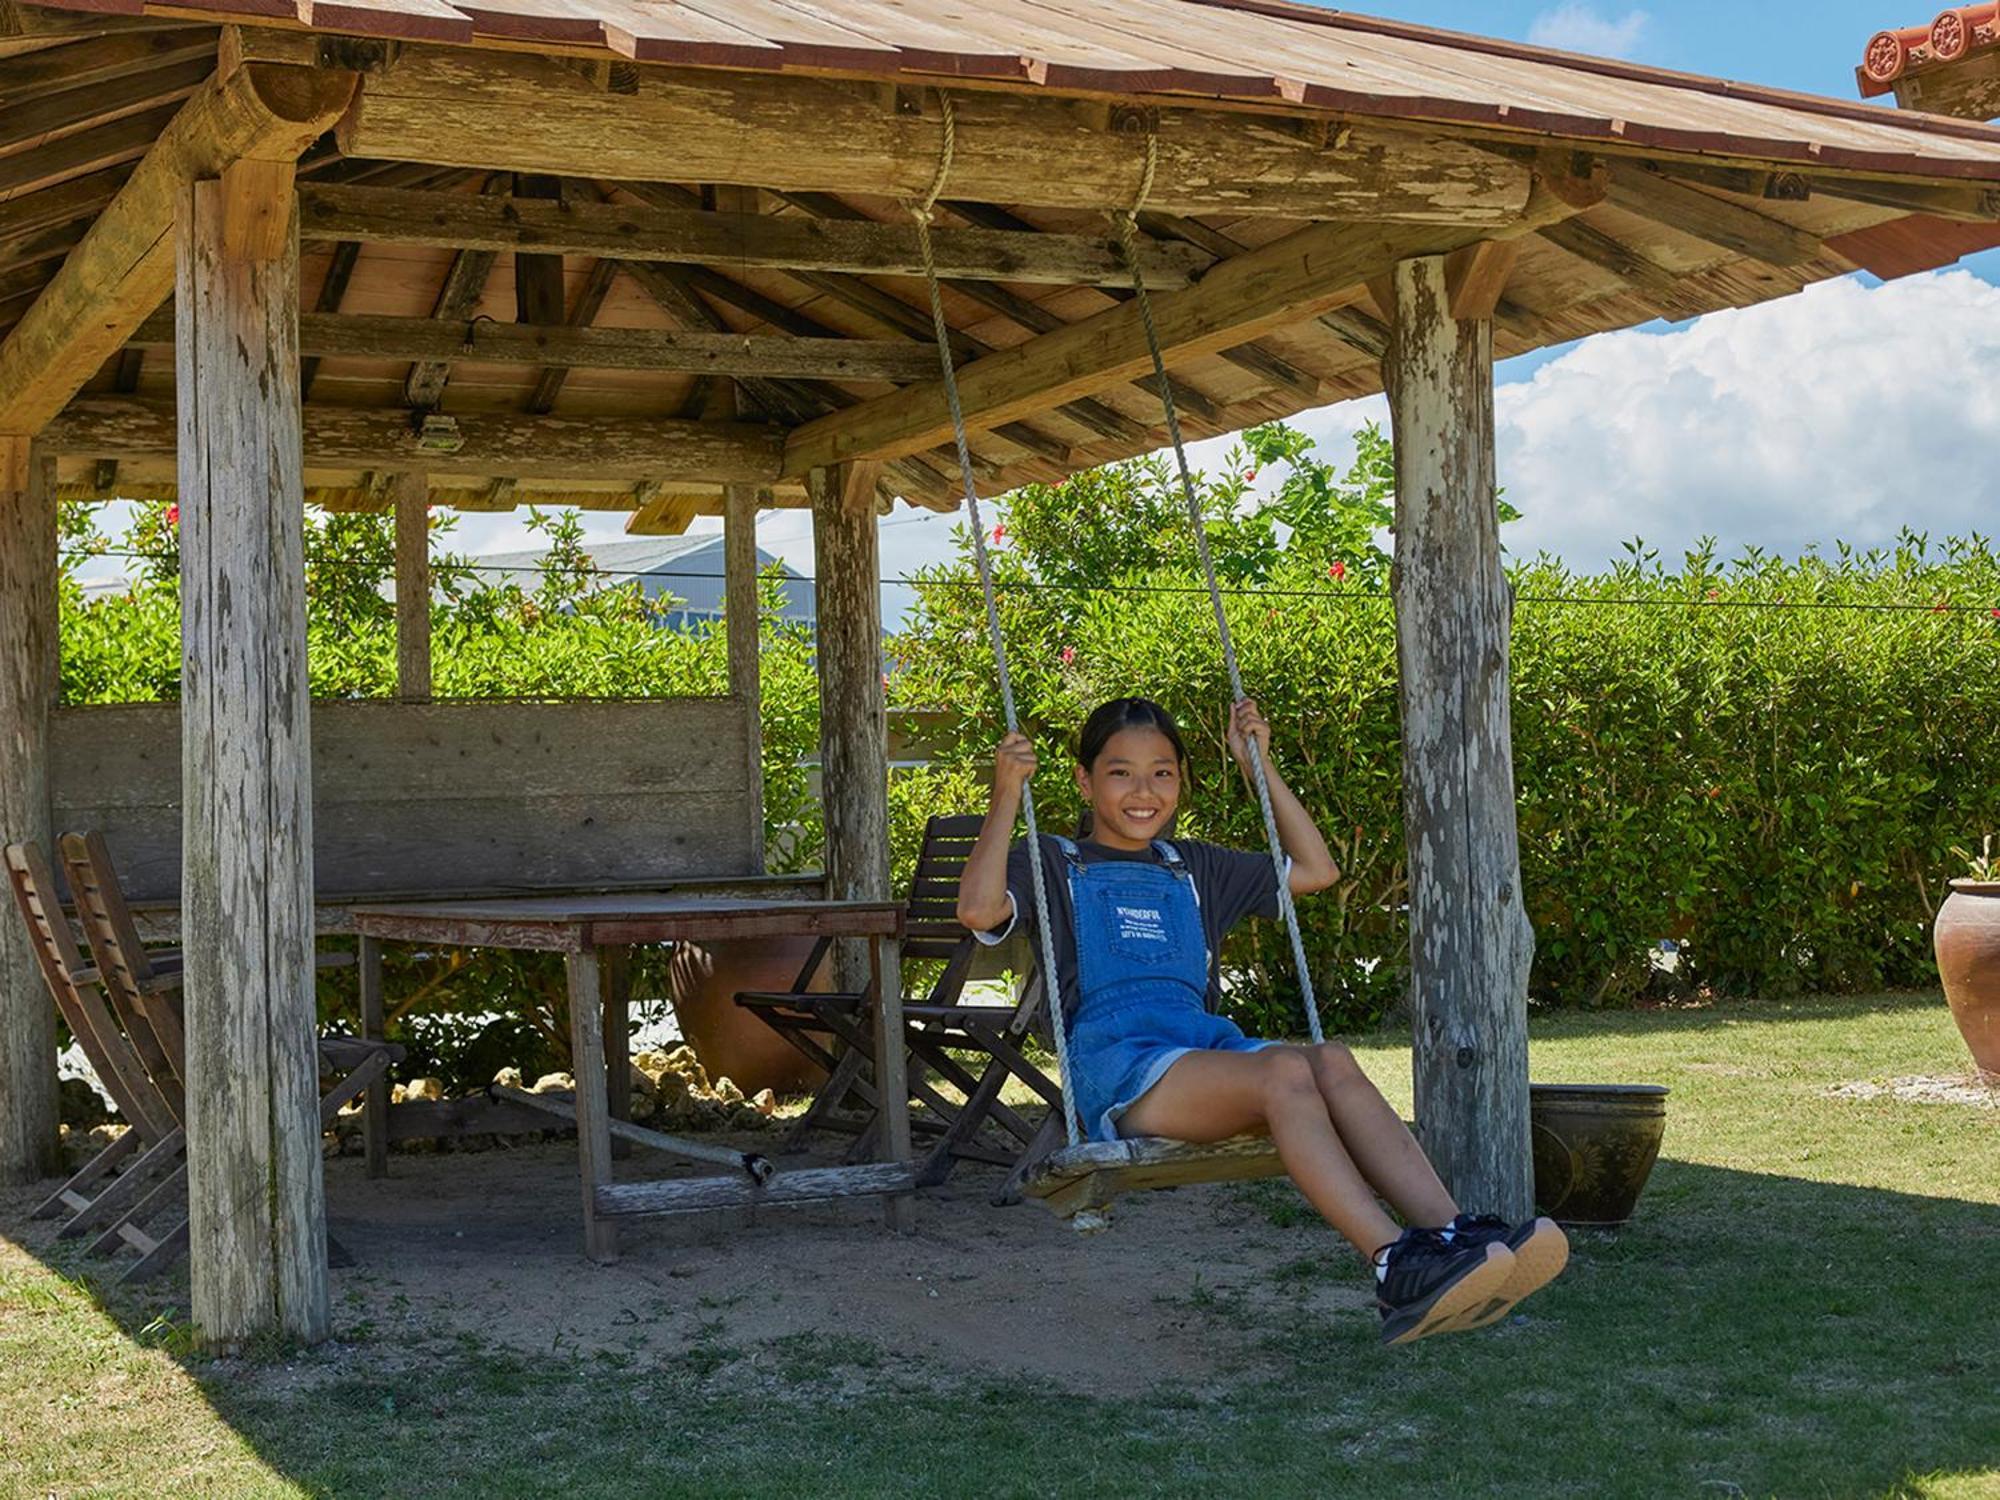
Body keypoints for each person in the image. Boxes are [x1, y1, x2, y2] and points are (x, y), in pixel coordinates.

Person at [957, 696, 1568, 1345]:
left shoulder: (1192, 866)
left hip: (1200, 1048)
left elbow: (1317, 870)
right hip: (1120, 1062)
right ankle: (1393, 1265)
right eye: (1120, 772)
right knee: (1282, 1069)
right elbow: (977, 909)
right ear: (1083, 780)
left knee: (1329, 1059)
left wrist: (1260, 766)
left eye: (1162, 772)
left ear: (1181, 781)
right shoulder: (1052, 860)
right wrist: (1005, 796)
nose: (1144, 791)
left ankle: (1450, 1236)